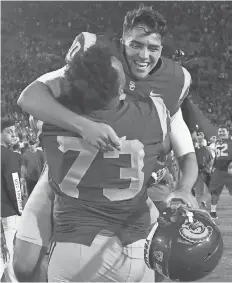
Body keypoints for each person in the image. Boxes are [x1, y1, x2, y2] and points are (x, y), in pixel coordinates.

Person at [14, 5, 198, 281]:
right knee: (24, 266)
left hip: (137, 180)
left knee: (162, 259)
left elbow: (185, 148)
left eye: (152, 47)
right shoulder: (96, 60)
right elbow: (29, 97)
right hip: (68, 173)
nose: (143, 55)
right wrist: (84, 125)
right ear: (122, 40)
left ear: (162, 48)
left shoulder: (175, 82)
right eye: (135, 45)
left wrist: (183, 188)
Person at [32, 43, 171, 281]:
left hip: (72, 249)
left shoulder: (49, 122)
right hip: (133, 250)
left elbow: (33, 94)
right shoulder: (152, 114)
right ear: (119, 91)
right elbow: (165, 145)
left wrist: (72, 77)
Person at [1, 118, 23, 282]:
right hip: (7, 211)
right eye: (10, 132)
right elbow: (14, 186)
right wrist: (20, 209)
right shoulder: (9, 156)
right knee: (6, 252)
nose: (14, 135)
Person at [209, 126, 232, 219]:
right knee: (214, 192)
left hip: (230, 170)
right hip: (218, 170)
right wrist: (212, 167)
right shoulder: (217, 142)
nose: (221, 133)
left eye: (223, 131)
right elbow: (216, 156)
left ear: (228, 132)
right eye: (219, 131)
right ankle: (213, 212)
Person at [194, 138, 214, 208]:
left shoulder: (195, 150)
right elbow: (211, 160)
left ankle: (197, 206)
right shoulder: (207, 150)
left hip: (197, 172)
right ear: (205, 143)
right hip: (206, 172)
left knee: (199, 192)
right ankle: (203, 201)